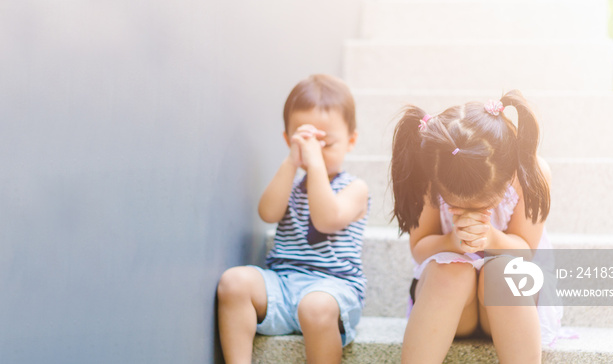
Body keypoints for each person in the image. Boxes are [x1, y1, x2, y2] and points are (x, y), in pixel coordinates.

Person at [391, 90, 560, 363]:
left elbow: (526, 250)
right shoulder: (431, 173)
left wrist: (491, 238)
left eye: (484, 207)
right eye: (455, 205)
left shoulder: (529, 173)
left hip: (509, 305)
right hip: (456, 308)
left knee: (504, 272)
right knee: (451, 270)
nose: (470, 213)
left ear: (505, 180)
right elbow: (419, 248)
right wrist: (451, 243)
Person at [217, 74, 369, 364]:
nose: (316, 152)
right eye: (307, 141)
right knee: (233, 281)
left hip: (333, 290)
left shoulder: (355, 188)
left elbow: (325, 220)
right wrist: (291, 162)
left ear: (351, 141)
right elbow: (268, 213)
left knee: (315, 306)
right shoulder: (290, 183)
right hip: (283, 284)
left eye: (326, 144)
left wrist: (314, 165)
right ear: (289, 139)